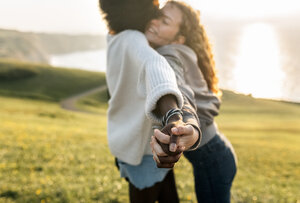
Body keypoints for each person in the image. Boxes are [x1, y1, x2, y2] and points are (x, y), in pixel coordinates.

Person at [99, 0, 202, 202]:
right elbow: (156, 66)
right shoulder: (133, 39)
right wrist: (173, 115)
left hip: (133, 144)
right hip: (145, 152)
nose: (155, 19)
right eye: (154, 11)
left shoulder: (115, 37)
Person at [147, 1, 237, 202]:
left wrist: (184, 122)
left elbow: (180, 90)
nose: (153, 22)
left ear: (179, 39)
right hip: (216, 154)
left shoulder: (170, 55)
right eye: (157, 15)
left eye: (164, 21)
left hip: (212, 159)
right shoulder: (176, 51)